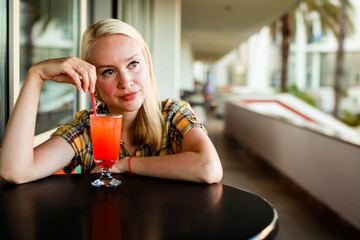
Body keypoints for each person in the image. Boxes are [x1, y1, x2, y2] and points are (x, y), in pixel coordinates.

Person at [0, 18, 223, 184]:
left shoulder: (174, 115)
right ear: (93, 82)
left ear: (147, 64)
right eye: (108, 71)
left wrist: (124, 164)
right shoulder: (87, 131)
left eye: (133, 64)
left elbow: (209, 167)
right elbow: (14, 171)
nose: (125, 82)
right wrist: (36, 76)